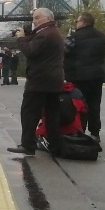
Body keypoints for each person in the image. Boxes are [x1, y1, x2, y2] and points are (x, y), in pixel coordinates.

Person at [7, 8, 65, 157]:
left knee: (29, 113)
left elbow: (31, 51)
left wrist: (20, 38)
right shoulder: (51, 32)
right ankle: (55, 146)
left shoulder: (45, 34)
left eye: (37, 17)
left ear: (47, 18)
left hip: (40, 80)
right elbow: (36, 47)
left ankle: (28, 145)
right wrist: (26, 37)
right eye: (34, 18)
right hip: (53, 80)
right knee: (52, 114)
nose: (34, 21)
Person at [64, 12, 105, 141]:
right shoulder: (102, 37)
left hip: (78, 76)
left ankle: (80, 130)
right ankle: (95, 132)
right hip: (96, 75)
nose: (76, 24)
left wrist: (68, 37)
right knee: (94, 104)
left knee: (79, 104)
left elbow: (64, 51)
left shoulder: (74, 37)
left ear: (83, 22)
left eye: (77, 21)